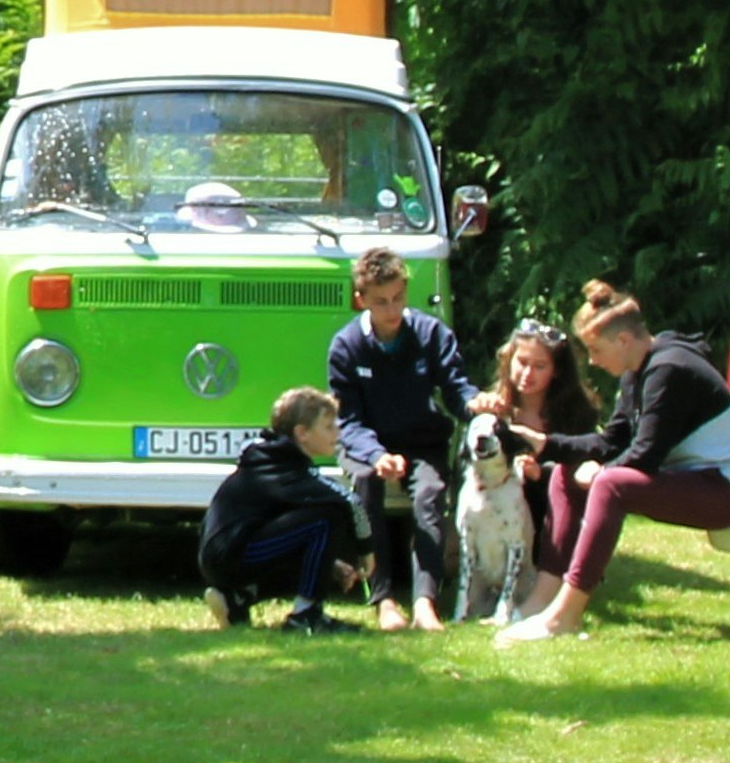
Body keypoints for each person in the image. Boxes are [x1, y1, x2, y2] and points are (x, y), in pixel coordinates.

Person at [504, 292, 730, 642]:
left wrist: (600, 471)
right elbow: (613, 441)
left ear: (624, 340)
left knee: (611, 484)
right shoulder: (636, 370)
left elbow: (644, 455)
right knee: (568, 473)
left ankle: (564, 617)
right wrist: (547, 444)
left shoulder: (668, 370)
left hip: (729, 490)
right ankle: (542, 601)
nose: (593, 362)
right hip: (693, 477)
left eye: (596, 351)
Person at [322, 245, 474, 632]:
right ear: (361, 301)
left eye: (398, 299)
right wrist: (375, 456)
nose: (392, 310)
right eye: (381, 302)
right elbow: (348, 421)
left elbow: (456, 390)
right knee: (366, 488)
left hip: (422, 442)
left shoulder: (430, 333)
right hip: (366, 445)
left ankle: (426, 602)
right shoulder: (346, 346)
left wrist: (477, 404)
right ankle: (384, 599)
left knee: (428, 495)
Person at [198, 387, 367, 630]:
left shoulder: (272, 459)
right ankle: (306, 615)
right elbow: (351, 502)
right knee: (327, 516)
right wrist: (367, 552)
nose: (337, 433)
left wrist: (331, 565)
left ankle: (237, 598)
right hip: (230, 555)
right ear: (302, 433)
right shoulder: (285, 467)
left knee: (316, 540)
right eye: (328, 426)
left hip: (221, 558)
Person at [477, 317, 601, 571]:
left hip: (551, 508)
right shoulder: (495, 411)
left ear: (556, 370)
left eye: (539, 366)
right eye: (522, 362)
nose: (527, 374)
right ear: (509, 360)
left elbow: (582, 469)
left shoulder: (578, 413)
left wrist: (542, 473)